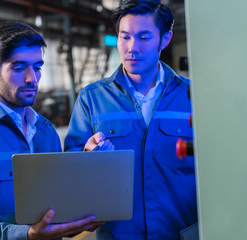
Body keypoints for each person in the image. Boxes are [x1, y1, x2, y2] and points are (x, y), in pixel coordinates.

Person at [0, 22, 103, 240]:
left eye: (37, 67)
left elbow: (57, 212)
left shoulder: (45, 131)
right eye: (19, 67)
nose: (32, 78)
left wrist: (87, 183)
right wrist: (28, 235)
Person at [64, 0, 197, 239]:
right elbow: (70, 171)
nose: (131, 47)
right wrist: (87, 154)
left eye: (144, 37)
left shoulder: (193, 96)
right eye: (125, 37)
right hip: (119, 234)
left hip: (180, 232)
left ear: (164, 40)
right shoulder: (92, 99)